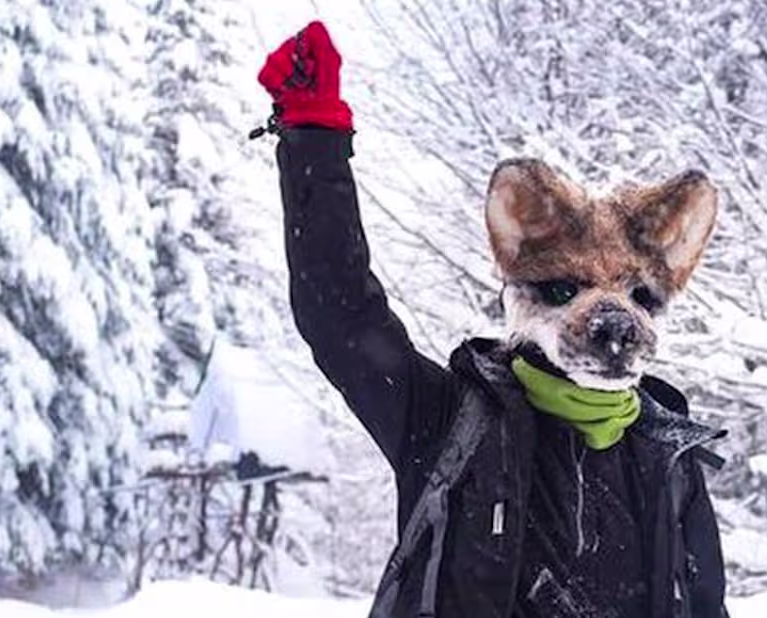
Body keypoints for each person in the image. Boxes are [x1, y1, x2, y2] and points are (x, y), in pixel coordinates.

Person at [256, 20, 730, 618]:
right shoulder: (452, 425)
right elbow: (341, 315)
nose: (612, 323)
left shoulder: (668, 457)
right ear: (521, 295)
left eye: (641, 295)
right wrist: (314, 137)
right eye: (564, 289)